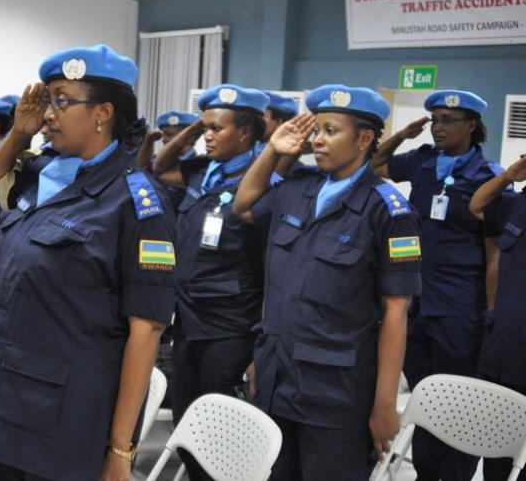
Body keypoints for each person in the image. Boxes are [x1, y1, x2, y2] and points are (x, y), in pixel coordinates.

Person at [0, 44, 177, 481]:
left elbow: (146, 329)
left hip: (66, 417)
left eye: (62, 101)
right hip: (7, 395)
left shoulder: (138, 203)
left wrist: (121, 449)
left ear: (103, 112)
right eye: (48, 101)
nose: (49, 115)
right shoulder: (43, 175)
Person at [232, 84, 422, 480]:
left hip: (335, 393)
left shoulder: (388, 210)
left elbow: (396, 312)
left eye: (330, 131)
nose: (317, 140)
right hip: (276, 376)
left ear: (365, 138)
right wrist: (273, 151)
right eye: (315, 130)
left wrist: (385, 404)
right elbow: (244, 206)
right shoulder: (298, 188)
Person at [372, 89, 502, 481]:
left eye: (449, 121)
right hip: (418, 304)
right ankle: (428, 474)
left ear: (472, 125)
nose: (440, 128)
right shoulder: (423, 161)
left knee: (458, 401)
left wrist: (491, 315)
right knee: (426, 396)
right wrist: (403, 135)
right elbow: (373, 164)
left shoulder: (488, 177)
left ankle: (457, 475)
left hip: (461, 306)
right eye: (436, 121)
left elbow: (494, 252)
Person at [153, 84, 269, 480]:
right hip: (188, 318)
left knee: (220, 429)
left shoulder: (261, 182)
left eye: (217, 128)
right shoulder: (201, 171)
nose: (208, 135)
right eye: (206, 128)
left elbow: (272, 267)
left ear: (246, 133)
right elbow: (160, 166)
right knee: (186, 421)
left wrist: (260, 343)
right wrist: (190, 131)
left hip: (230, 325)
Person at [469, 156, 526, 481]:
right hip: (504, 350)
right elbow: (478, 204)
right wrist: (509, 176)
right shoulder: (517, 202)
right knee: (497, 456)